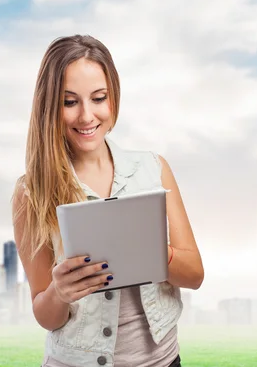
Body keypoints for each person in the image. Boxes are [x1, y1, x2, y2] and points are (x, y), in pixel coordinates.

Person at [11, 35, 204, 367]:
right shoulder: (31, 192)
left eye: (98, 98)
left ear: (113, 97)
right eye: (69, 102)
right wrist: (58, 293)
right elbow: (45, 315)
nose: (87, 116)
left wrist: (150, 251)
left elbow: (195, 275)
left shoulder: (153, 169)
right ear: (49, 107)